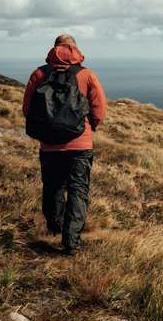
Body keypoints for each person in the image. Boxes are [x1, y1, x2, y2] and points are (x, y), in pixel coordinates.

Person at [21, 34, 107, 255]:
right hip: (80, 144)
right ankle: (71, 241)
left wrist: (45, 130)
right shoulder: (86, 74)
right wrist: (90, 128)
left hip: (49, 145)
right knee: (78, 190)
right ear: (75, 49)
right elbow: (98, 109)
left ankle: (55, 228)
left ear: (54, 49)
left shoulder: (39, 73)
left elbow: (27, 109)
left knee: (52, 187)